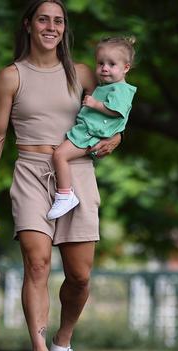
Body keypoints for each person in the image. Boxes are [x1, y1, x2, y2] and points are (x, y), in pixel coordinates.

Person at [0, 1, 122, 351]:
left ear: (64, 29)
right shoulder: (11, 76)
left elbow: (118, 108)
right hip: (29, 172)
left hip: (78, 172)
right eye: (43, 19)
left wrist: (118, 138)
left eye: (58, 21)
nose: (51, 27)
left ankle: (61, 341)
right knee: (37, 264)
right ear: (28, 25)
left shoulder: (84, 74)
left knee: (80, 276)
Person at [46, 36, 137, 220]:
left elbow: (116, 111)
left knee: (60, 155)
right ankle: (65, 193)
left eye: (112, 64)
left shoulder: (120, 89)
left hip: (90, 135)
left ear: (126, 67)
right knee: (61, 154)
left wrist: (95, 104)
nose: (104, 68)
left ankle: (65, 195)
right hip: (87, 132)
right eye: (101, 63)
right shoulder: (108, 86)